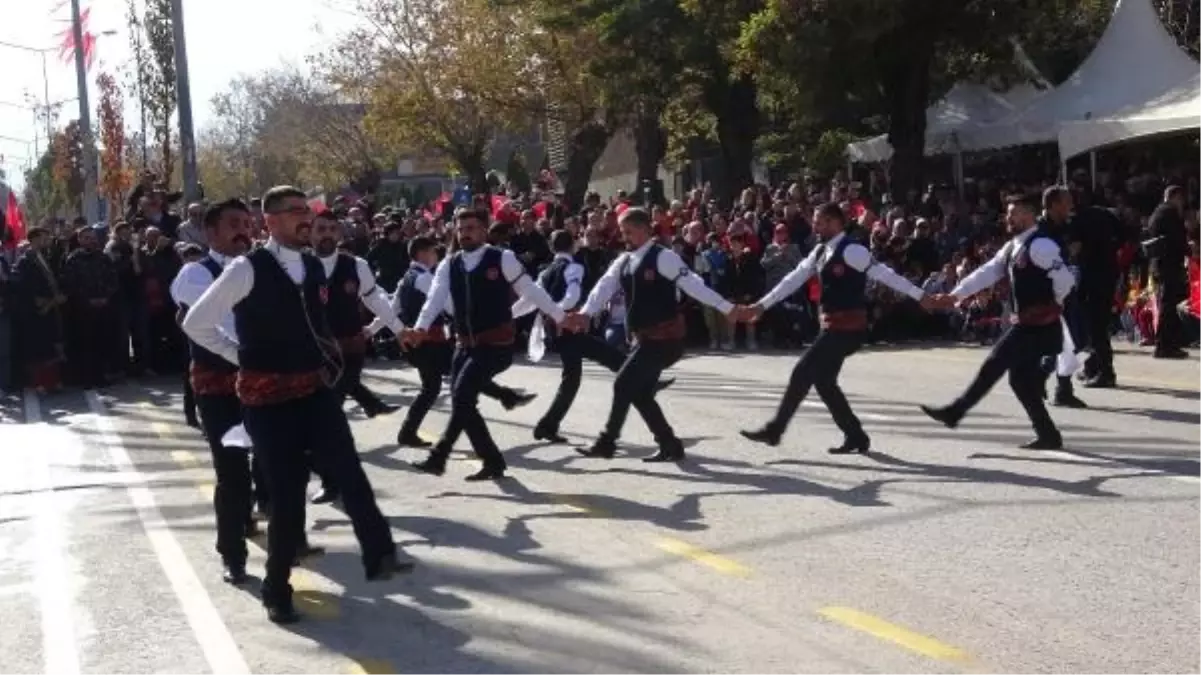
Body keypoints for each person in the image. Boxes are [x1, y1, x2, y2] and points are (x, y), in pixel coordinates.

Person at [182, 186, 405, 624]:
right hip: (266, 401)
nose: (307, 219)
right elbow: (196, 323)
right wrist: (240, 356)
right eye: (297, 212)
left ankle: (379, 552)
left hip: (315, 392)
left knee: (347, 470)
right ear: (273, 220)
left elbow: (322, 323)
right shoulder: (247, 270)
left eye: (309, 211)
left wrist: (332, 360)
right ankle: (274, 585)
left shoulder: (312, 268)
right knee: (283, 497)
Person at [735, 202, 934, 454]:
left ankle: (775, 430)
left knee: (802, 372)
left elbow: (886, 274)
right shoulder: (819, 251)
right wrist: (761, 306)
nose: (814, 226)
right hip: (831, 326)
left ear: (834, 222)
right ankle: (856, 436)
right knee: (824, 381)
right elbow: (792, 279)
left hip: (850, 328)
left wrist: (920, 295)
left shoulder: (852, 250)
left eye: (819, 222)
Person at [401, 207, 566, 481]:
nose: (465, 233)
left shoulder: (502, 258)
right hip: (464, 346)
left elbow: (532, 290)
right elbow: (435, 300)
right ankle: (489, 461)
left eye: (471, 228)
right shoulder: (448, 264)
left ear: (484, 230)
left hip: (496, 345)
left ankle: (440, 456)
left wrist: (560, 316)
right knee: (461, 401)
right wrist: (419, 328)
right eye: (461, 228)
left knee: (463, 395)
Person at [560, 207, 734, 462]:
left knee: (622, 384)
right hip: (645, 340)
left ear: (644, 229)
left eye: (628, 231)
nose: (624, 237)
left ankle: (607, 442)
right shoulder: (625, 261)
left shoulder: (663, 257)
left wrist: (728, 308)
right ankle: (669, 444)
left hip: (665, 339)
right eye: (622, 232)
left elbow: (694, 285)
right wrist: (586, 313)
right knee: (638, 392)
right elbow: (604, 286)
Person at [921, 195, 1077, 450]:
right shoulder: (1014, 246)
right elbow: (987, 272)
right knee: (1020, 381)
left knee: (995, 361)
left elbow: (1066, 280)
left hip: (1039, 326)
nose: (1008, 218)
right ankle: (1048, 434)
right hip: (1027, 325)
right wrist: (954, 296)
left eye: (1013, 213)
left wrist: (1053, 304)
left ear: (1028, 215)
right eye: (1008, 213)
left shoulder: (1041, 245)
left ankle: (956, 412)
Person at [170, 199, 269, 584]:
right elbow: (215, 324)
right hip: (219, 385)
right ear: (211, 232)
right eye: (233, 224)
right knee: (231, 470)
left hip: (263, 381)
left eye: (247, 222)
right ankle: (233, 552)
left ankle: (267, 524)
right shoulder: (196, 273)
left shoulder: (262, 268)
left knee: (273, 462)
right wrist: (244, 353)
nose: (243, 230)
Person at [514, 229, 673, 444]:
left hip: (558, 331)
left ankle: (548, 425)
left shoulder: (546, 271)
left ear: (552, 248)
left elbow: (529, 301)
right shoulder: (573, 267)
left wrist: (508, 315)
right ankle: (646, 383)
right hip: (568, 328)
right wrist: (560, 315)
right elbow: (573, 295)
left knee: (576, 376)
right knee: (605, 357)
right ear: (573, 245)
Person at [308, 211, 401, 505]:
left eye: (331, 229)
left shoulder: (355, 265)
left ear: (339, 234)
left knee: (327, 415)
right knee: (316, 422)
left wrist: (400, 330)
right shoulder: (298, 266)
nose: (325, 234)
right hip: (314, 354)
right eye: (320, 229)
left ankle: (332, 482)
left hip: (349, 352)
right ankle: (329, 474)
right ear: (310, 233)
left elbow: (376, 300)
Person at [13, 227, 66, 393]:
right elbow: (26, 287)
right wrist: (46, 301)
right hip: (36, 311)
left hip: (49, 309)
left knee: (51, 346)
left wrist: (56, 298)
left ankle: (52, 382)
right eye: (44, 236)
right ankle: (40, 383)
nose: (47, 239)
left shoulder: (44, 257)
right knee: (38, 348)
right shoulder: (26, 260)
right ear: (35, 238)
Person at [1147, 186, 1190, 359]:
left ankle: (1165, 343)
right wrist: (1188, 250)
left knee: (1165, 303)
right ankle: (1165, 345)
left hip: (1159, 264)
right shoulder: (1170, 213)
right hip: (1169, 264)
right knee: (1169, 305)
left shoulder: (1156, 213)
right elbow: (1177, 238)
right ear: (1175, 197)